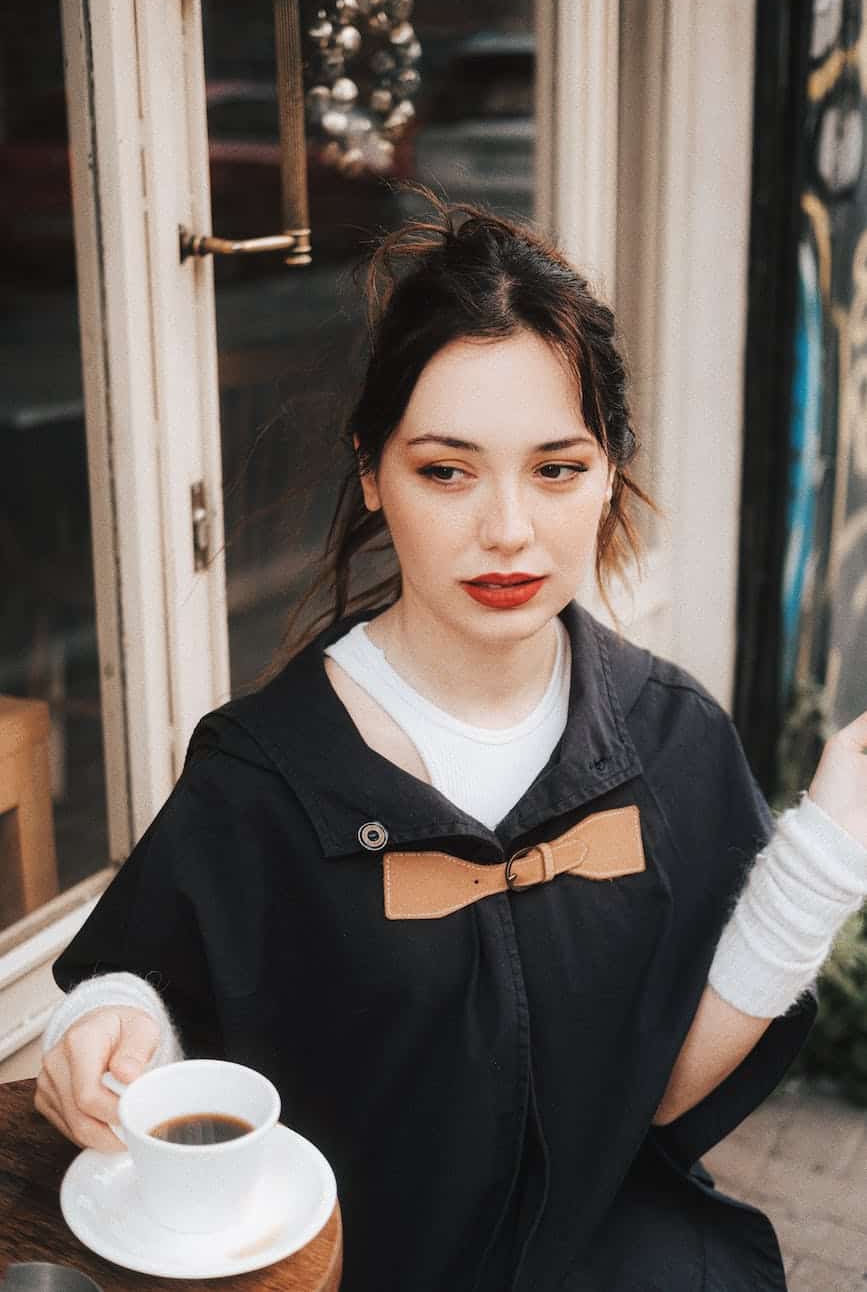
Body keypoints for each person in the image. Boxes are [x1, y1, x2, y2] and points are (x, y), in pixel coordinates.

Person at [36, 197, 867, 1292]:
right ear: (373, 473)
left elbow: (663, 1099)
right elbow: (157, 988)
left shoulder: (671, 739)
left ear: (610, 469)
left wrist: (825, 852)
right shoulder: (268, 769)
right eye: (446, 469)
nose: (508, 529)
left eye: (557, 468)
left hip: (610, 1256)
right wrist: (108, 1027)